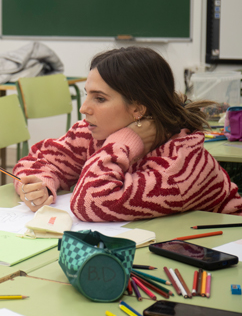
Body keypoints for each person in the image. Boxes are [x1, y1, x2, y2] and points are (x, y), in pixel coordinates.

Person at [13, 47, 242, 221]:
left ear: (138, 109)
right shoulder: (93, 134)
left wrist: (125, 140)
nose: (84, 108)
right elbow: (37, 161)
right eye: (87, 94)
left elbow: (91, 202)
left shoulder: (184, 162)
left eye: (99, 98)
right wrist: (42, 183)